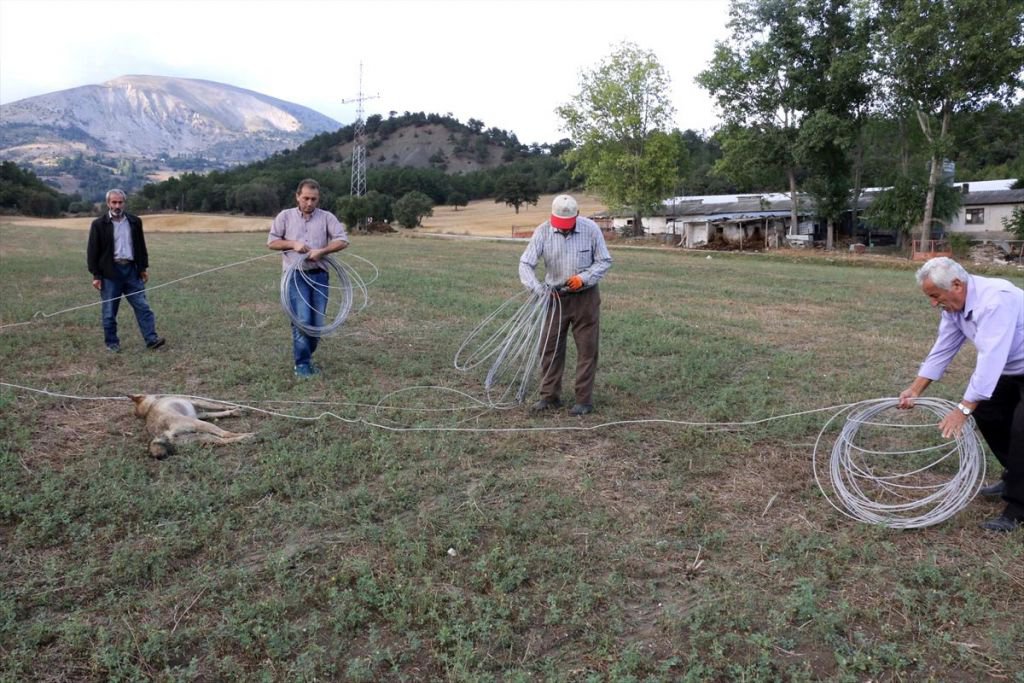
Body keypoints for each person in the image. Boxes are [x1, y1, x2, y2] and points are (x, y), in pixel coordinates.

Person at [898, 257, 1024, 532]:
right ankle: (1016, 475)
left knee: (1021, 430)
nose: (933, 303)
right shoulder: (954, 308)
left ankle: (1017, 507)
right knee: (989, 413)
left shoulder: (995, 300)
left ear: (956, 285)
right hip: (1012, 367)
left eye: (935, 295)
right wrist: (915, 389)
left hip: (1010, 363)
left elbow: (991, 358)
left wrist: (963, 409)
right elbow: (943, 349)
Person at [519, 194, 613, 416]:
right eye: (559, 225)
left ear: (577, 216)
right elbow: (525, 263)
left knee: (587, 349)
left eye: (567, 225)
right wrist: (539, 289)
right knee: (549, 348)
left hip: (585, 298)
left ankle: (583, 400)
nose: (563, 229)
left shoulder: (590, 229)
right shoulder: (543, 231)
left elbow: (604, 260)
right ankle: (549, 396)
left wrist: (584, 278)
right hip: (554, 298)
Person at [268, 178, 349, 378]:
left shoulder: (327, 217)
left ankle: (305, 354)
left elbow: (342, 240)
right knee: (302, 319)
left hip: (320, 276)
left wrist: (321, 251)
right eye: (305, 198)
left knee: (318, 324)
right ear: (297, 196)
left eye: (314, 199)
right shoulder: (285, 216)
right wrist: (293, 244)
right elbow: (272, 242)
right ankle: (302, 364)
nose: (310, 203)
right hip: (295, 276)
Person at [86, 189, 165, 353]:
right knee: (109, 312)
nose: (117, 205)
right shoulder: (99, 224)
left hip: (131, 272)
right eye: (114, 202)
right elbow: (93, 251)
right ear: (108, 203)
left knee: (143, 307)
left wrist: (143, 268)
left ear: (124, 203)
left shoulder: (135, 221)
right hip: (110, 274)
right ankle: (112, 344)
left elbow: (141, 246)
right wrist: (96, 275)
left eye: (120, 202)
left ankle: (152, 340)